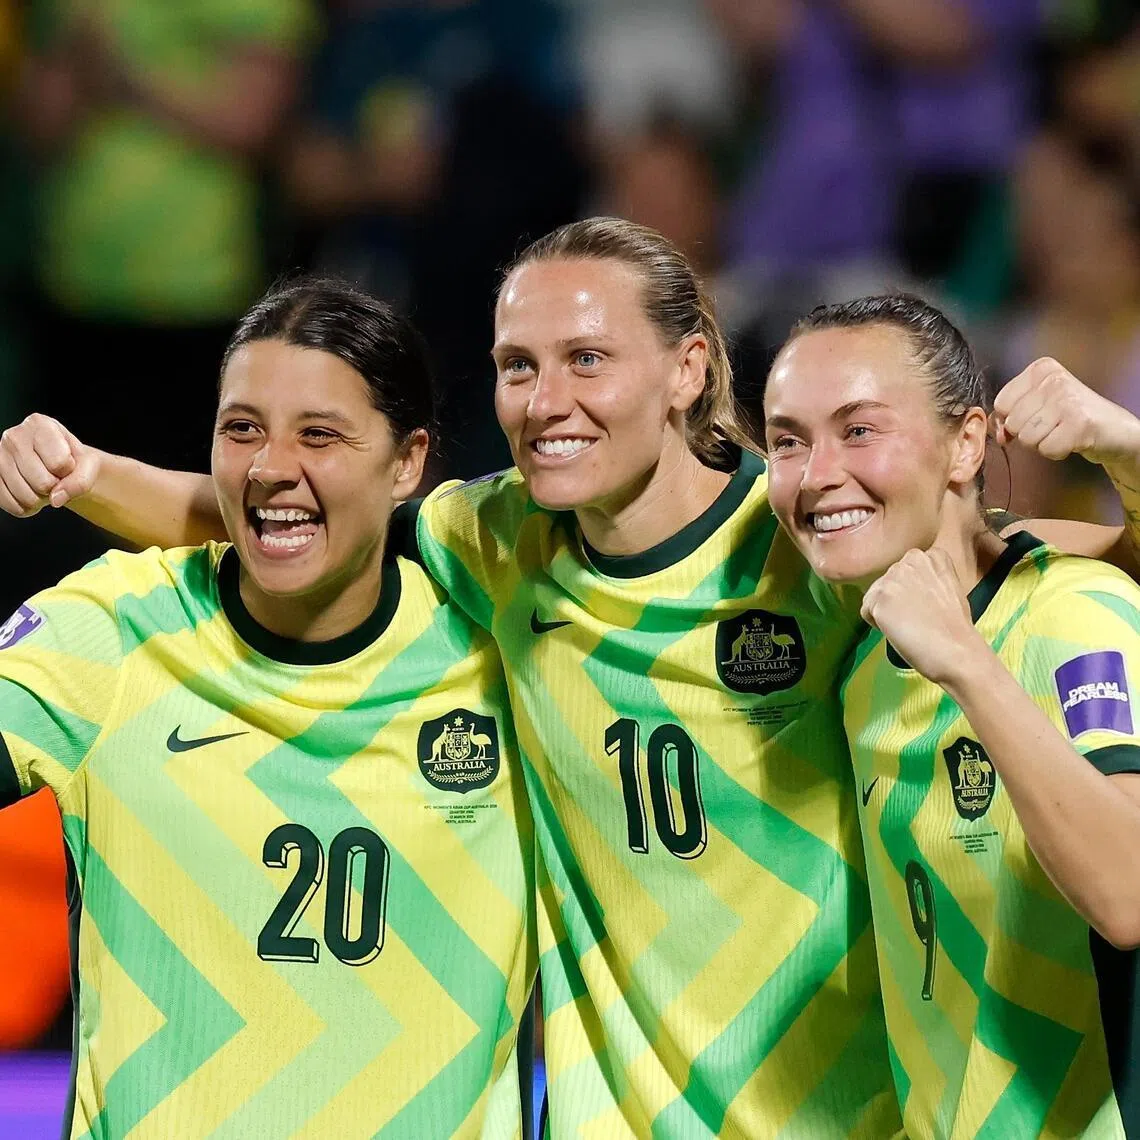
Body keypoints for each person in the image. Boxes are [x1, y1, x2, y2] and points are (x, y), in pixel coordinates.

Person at [0, 220, 902, 1137]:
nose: (548, 401)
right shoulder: (496, 545)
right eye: (519, 366)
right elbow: (294, 510)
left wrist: (1061, 454)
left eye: (587, 359)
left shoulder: (816, 544)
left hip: (829, 1113)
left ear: (688, 369)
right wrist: (85, 474)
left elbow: (1001, 558)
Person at [0, 278, 535, 1137]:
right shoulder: (115, 626)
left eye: (319, 435)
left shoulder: (505, 656)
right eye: (241, 428)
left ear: (407, 462)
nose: (270, 466)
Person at [762, 293, 1140, 1136]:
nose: (819, 473)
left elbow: (1128, 895)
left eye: (859, 430)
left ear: (967, 443)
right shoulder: (863, 661)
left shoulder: (1071, 612)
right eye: (788, 441)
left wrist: (967, 664)